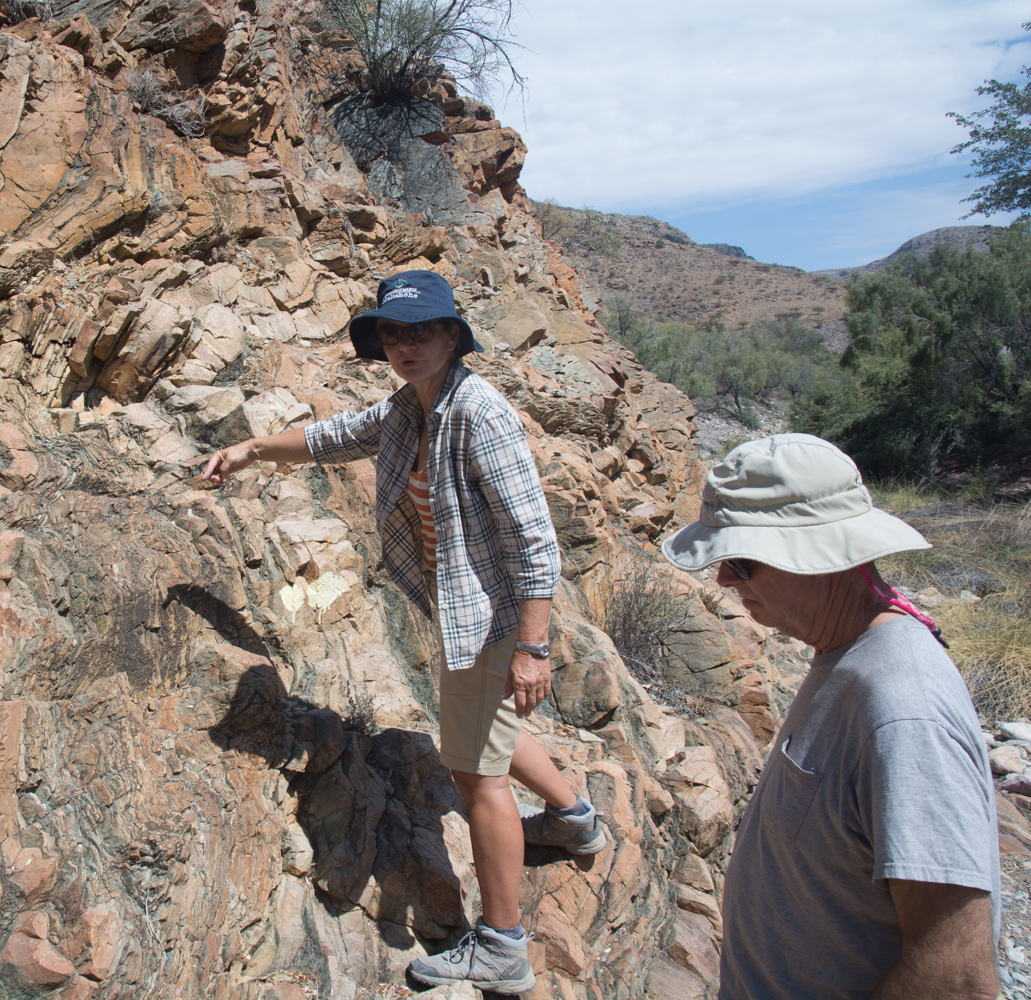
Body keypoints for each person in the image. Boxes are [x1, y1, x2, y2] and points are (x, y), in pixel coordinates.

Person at [197, 270, 608, 993]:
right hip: (468, 616)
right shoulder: (410, 409)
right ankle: (575, 821)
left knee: (475, 777)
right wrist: (253, 450)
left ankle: (504, 948)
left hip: (496, 622)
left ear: (453, 336)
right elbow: (332, 436)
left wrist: (533, 647)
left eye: (423, 330)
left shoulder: (479, 414)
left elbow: (538, 543)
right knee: (487, 730)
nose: (407, 344)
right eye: (394, 332)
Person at [660, 434, 1001, 1000]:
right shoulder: (845, 651)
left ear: (821, 555)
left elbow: (956, 979)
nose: (723, 579)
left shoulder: (903, 712)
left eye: (741, 561)